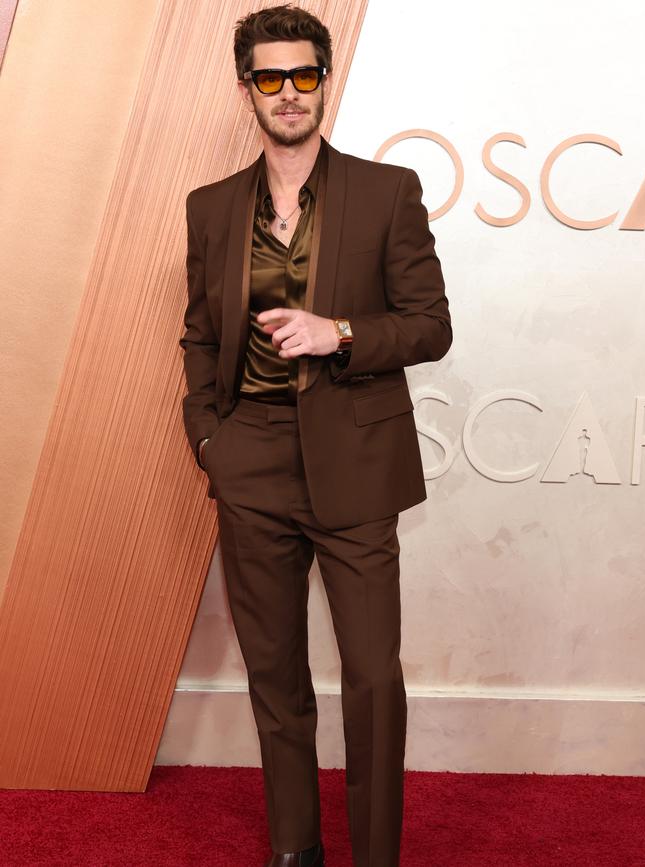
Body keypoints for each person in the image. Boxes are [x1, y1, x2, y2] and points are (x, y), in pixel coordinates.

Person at [179, 5, 452, 866]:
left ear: (324, 81)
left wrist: (338, 331)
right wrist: (210, 441)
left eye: (304, 75)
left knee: (373, 679)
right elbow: (196, 334)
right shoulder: (213, 207)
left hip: (357, 466)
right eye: (270, 78)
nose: (288, 92)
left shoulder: (387, 191)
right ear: (246, 90)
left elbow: (430, 326)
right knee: (276, 679)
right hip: (249, 460)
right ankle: (295, 850)